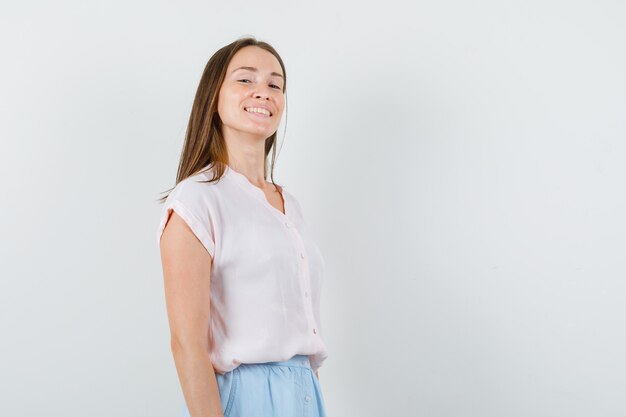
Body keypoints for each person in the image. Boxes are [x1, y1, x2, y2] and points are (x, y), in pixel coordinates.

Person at [156, 36, 330, 417]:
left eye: (275, 84)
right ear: (213, 98)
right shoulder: (197, 200)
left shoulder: (290, 206)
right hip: (246, 396)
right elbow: (187, 344)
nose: (263, 92)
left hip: (305, 393)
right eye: (245, 80)